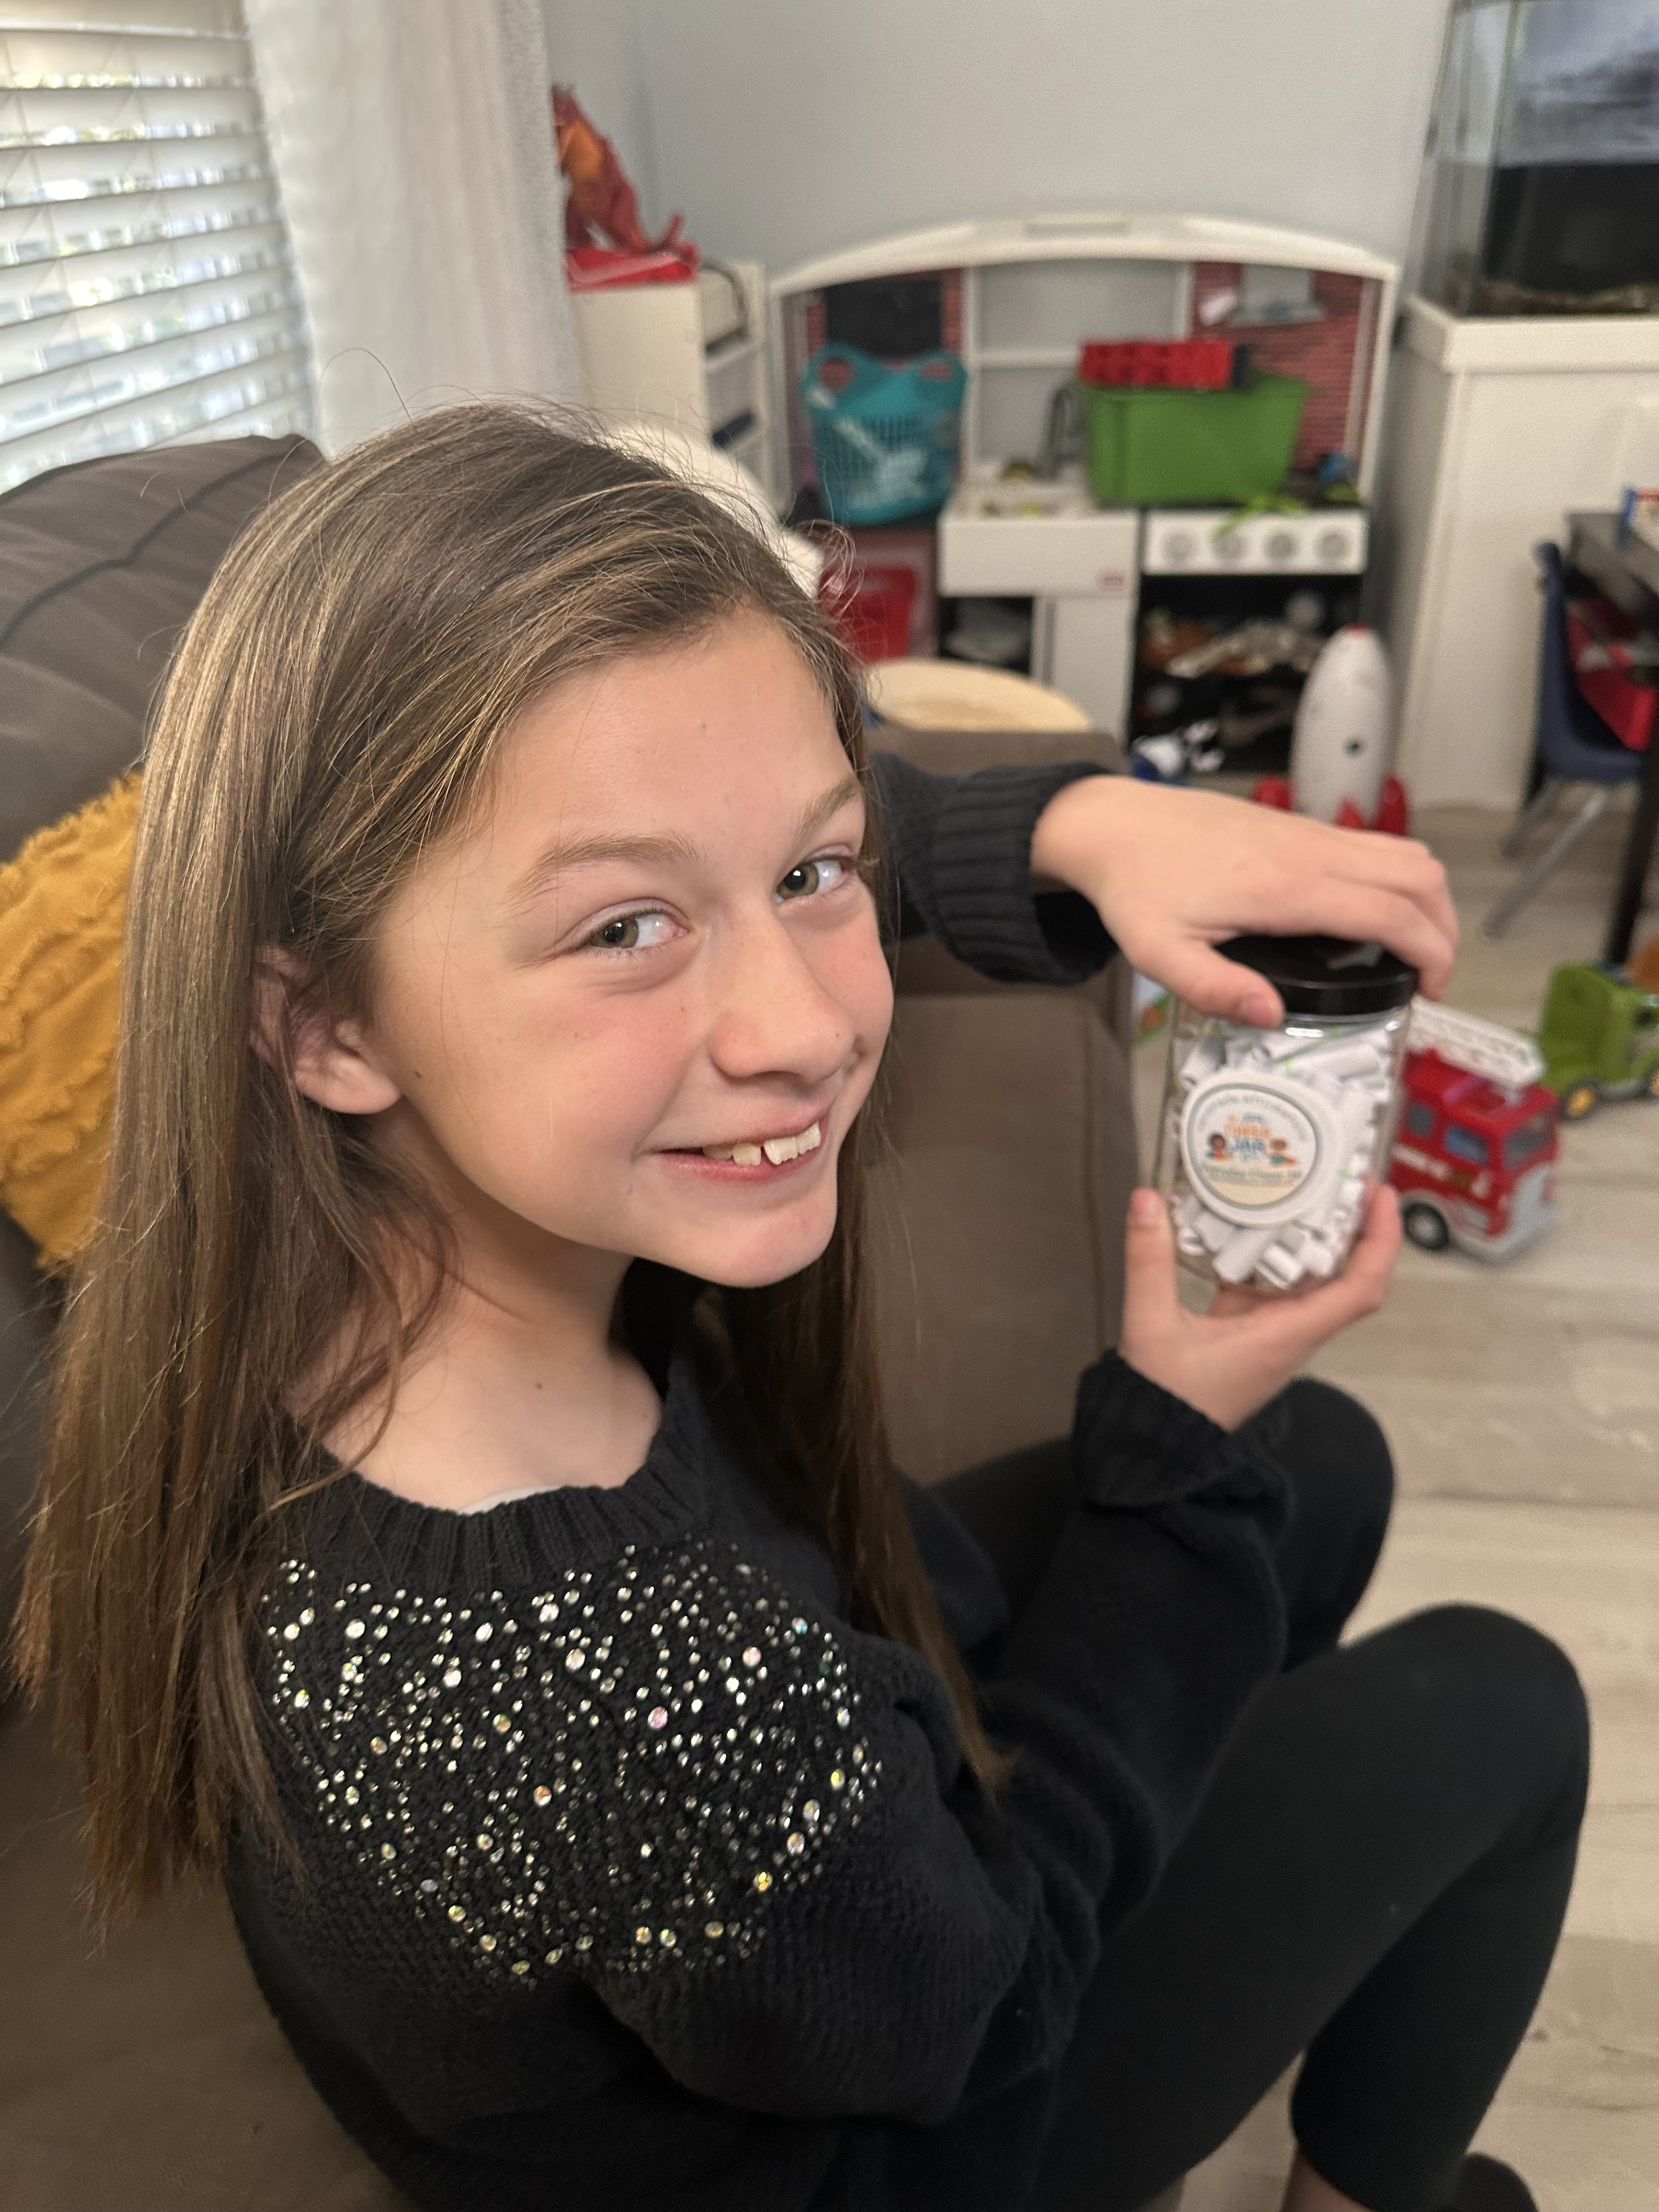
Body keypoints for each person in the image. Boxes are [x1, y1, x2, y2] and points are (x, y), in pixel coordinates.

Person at [17, 409, 1586, 2212]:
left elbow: (691, 803)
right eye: (625, 933)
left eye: (807, 879)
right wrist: (1177, 1454)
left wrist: (1086, 823)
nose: (803, 1025)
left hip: (807, 1860)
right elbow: (977, 2013)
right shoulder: (598, 1689)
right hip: (918, 2111)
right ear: (325, 1023)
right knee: (1501, 1698)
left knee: (1313, 1454)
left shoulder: (308, 1243)